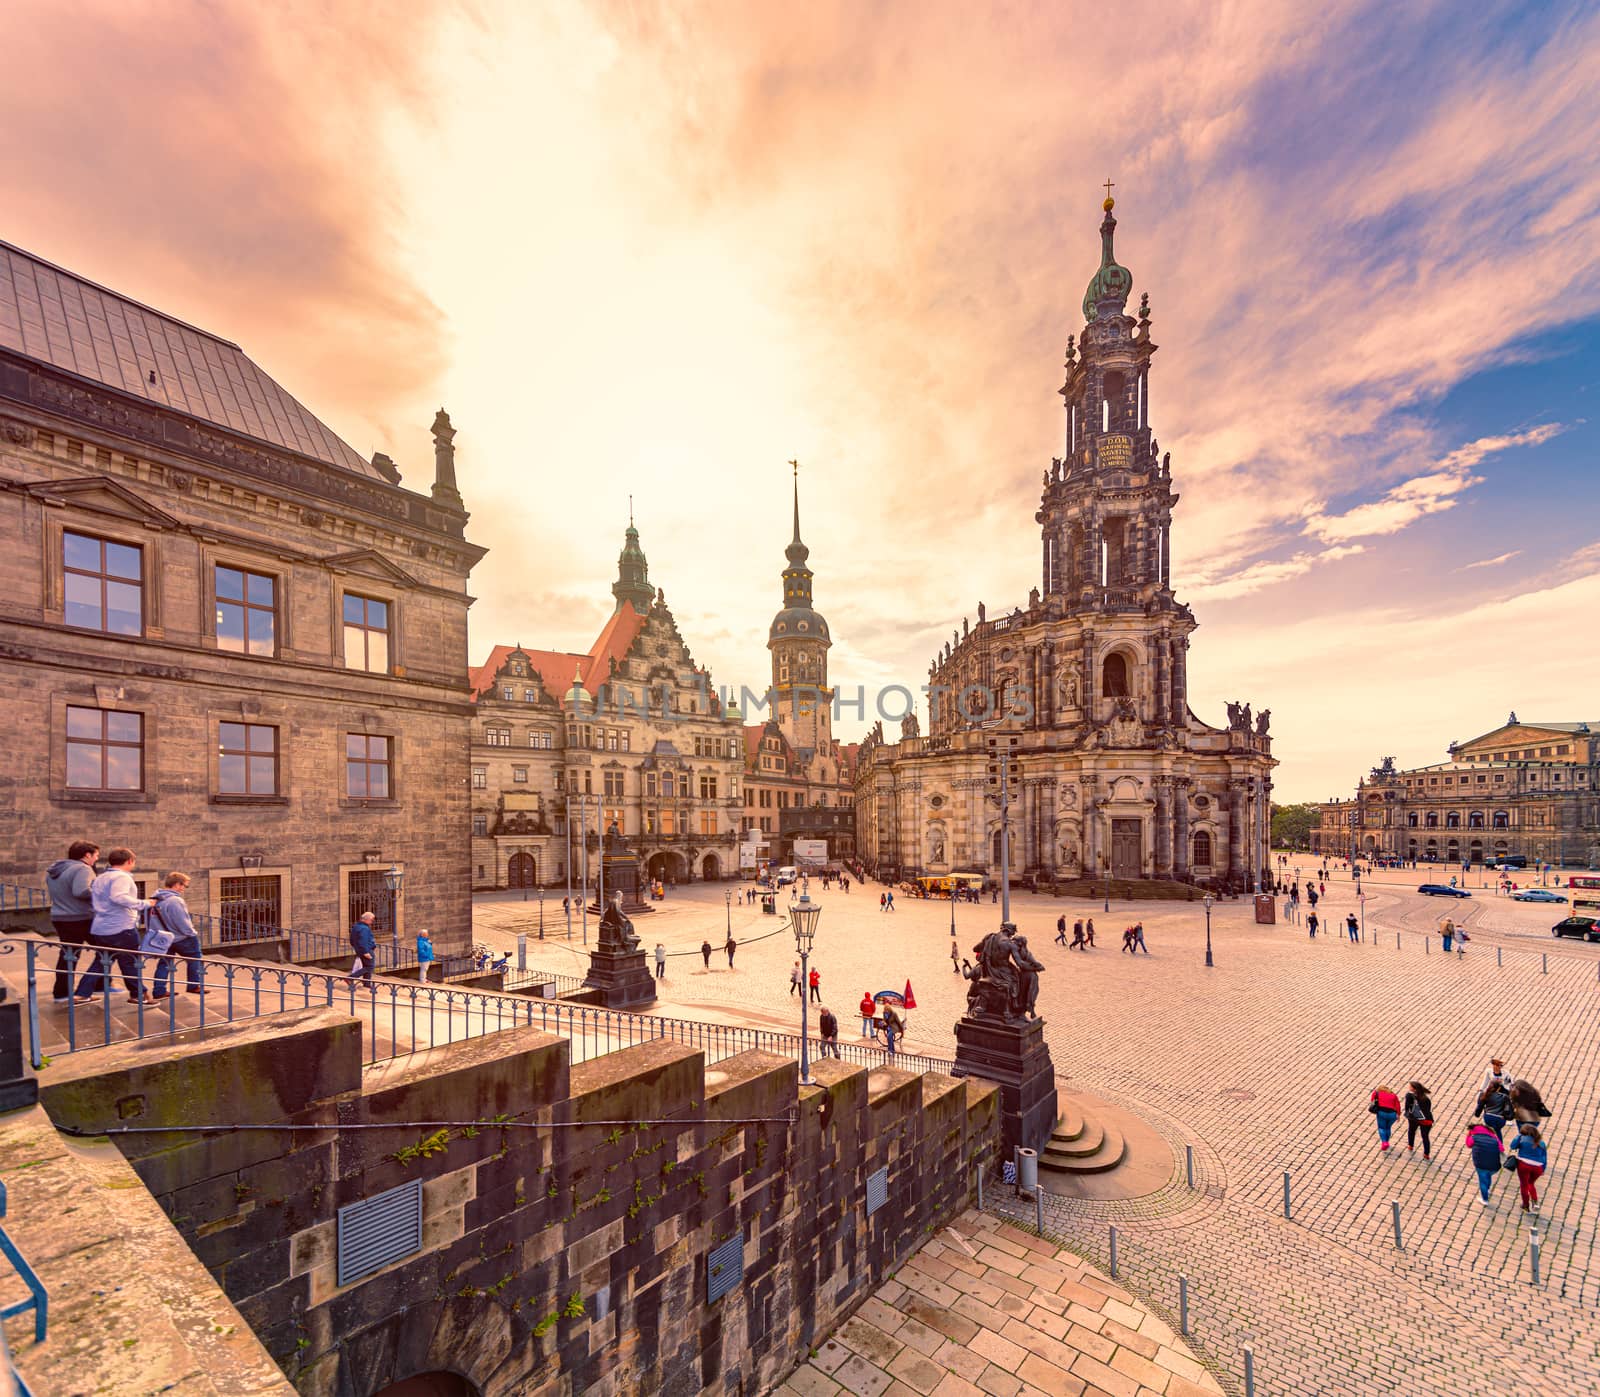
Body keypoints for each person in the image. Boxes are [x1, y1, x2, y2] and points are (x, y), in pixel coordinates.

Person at [74, 847, 151, 1002]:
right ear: (129, 861)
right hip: (121, 927)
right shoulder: (122, 877)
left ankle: (82, 993)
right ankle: (138, 995)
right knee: (129, 962)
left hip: (101, 927)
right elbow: (119, 897)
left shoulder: (101, 877)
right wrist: (144, 903)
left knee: (102, 961)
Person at [46, 840, 99, 1001]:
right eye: (96, 855)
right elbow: (81, 891)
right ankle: (93, 987)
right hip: (80, 918)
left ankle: (62, 992)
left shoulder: (56, 870)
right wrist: (100, 891)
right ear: (87, 855)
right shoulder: (83, 868)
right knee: (107, 950)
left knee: (68, 955)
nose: (96, 859)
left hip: (60, 917)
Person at [147, 872, 204, 999]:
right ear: (177, 884)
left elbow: (148, 920)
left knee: (165, 962)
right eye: (184, 886)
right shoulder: (175, 901)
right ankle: (194, 985)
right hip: (181, 938)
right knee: (195, 958)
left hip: (163, 938)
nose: (184, 889)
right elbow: (183, 923)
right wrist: (192, 933)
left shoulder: (154, 899)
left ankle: (159, 990)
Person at [1506, 1127, 1547, 1213]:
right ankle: (1535, 1202)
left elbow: (1512, 1146)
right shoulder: (1541, 1143)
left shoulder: (1522, 1139)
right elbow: (1544, 1158)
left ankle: (1525, 1205)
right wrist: (1543, 1169)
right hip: (1537, 1167)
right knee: (1531, 1183)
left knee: (1524, 1185)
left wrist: (1518, 1136)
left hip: (1524, 1165)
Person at [1466, 1121, 1504, 1205]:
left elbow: (1468, 1144)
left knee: (1482, 1180)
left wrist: (1469, 1135)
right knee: (1488, 1175)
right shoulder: (1494, 1138)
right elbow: (1501, 1149)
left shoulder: (1474, 1137)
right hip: (1494, 1164)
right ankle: (1487, 1189)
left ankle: (1485, 1199)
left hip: (1481, 1163)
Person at [1403, 1082, 1433, 1160]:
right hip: (1426, 1120)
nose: (1408, 1087)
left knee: (1411, 1131)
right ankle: (1426, 1153)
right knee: (1425, 1137)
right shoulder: (1425, 1098)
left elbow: (1407, 1107)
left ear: (1413, 1088)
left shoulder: (1409, 1096)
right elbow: (1428, 1109)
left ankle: (1410, 1145)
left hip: (1414, 1118)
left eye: (1410, 1086)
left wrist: (1407, 1114)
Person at [1369, 1084, 1402, 1152]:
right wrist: (1398, 1115)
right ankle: (1387, 1141)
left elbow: (1372, 1100)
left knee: (1382, 1128)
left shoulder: (1376, 1093)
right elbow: (1398, 1106)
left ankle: (1384, 1142)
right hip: (1392, 1115)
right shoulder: (1394, 1095)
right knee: (1388, 1127)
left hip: (1382, 1113)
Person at [347, 911, 377, 982]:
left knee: (366, 966)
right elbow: (363, 941)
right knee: (369, 967)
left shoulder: (356, 926)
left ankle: (367, 984)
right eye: (371, 920)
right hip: (366, 950)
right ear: (367, 919)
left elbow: (352, 940)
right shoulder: (364, 928)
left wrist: (357, 948)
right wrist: (365, 952)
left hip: (360, 950)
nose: (372, 922)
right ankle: (350, 978)